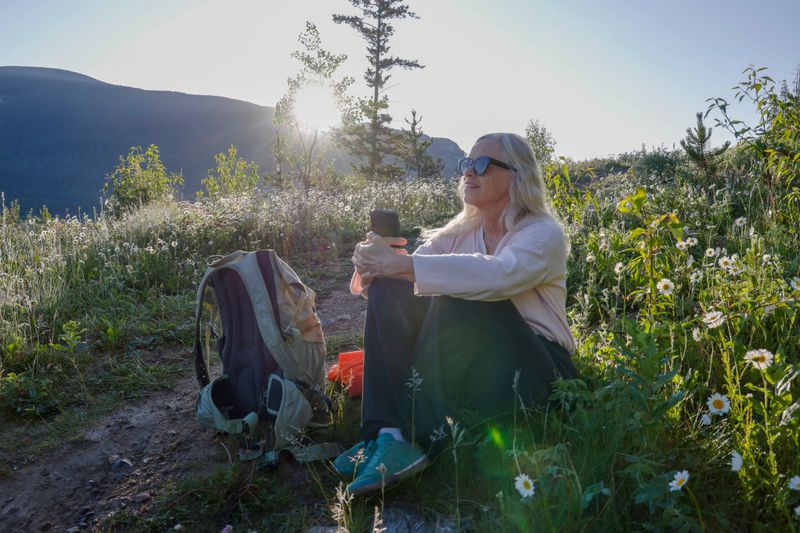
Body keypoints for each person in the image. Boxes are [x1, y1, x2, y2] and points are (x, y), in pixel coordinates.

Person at [334, 132, 578, 497]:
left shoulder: (542, 233)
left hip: (539, 372)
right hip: (480, 368)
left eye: (481, 165)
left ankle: (422, 438)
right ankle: (387, 434)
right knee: (394, 283)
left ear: (516, 175)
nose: (468, 172)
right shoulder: (462, 232)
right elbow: (396, 282)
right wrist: (375, 263)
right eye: (466, 163)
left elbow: (499, 276)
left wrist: (403, 267)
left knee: (461, 293)